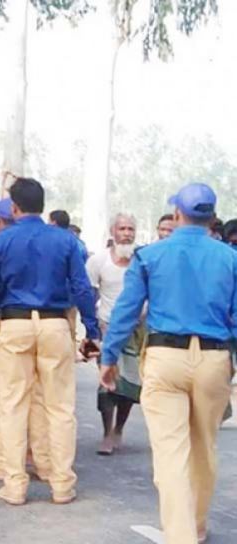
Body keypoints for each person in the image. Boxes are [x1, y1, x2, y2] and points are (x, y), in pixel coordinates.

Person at [100, 182, 236, 544]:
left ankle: (180, 535)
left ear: (177, 214)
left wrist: (109, 356)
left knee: (171, 454)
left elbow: (127, 310)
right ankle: (198, 526)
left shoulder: (150, 256)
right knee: (204, 448)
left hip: (165, 358)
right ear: (212, 217)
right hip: (214, 359)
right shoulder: (230, 258)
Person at [0, 178, 100, 506]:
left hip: (13, 326)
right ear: (42, 205)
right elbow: (82, 288)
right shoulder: (66, 241)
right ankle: (61, 483)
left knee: (12, 405)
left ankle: (15, 484)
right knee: (60, 407)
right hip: (56, 325)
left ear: (13, 207)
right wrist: (92, 330)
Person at [86, 213, 141, 455]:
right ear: (113, 232)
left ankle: (119, 428)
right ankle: (107, 433)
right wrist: (92, 329)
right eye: (122, 229)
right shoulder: (98, 261)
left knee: (129, 384)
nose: (126, 234)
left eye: (130, 229)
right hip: (107, 329)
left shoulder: (142, 260)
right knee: (106, 384)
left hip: (137, 331)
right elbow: (89, 295)